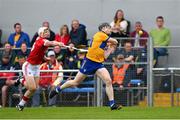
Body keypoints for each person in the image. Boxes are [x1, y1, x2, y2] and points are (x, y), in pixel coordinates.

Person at [50, 23, 122, 110]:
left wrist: (110, 49)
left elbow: (105, 57)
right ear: (103, 28)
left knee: (108, 80)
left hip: (98, 64)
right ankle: (58, 89)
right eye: (109, 28)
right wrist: (112, 44)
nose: (110, 30)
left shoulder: (103, 41)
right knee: (75, 82)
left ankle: (112, 104)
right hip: (89, 62)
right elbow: (116, 41)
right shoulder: (101, 34)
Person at [15, 27, 64, 111]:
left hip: (37, 67)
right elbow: (50, 42)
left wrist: (45, 58)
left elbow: (39, 52)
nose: (47, 32)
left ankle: (20, 104)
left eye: (48, 31)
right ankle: (21, 81)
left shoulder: (42, 41)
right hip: (29, 66)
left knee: (34, 88)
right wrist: (58, 43)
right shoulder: (42, 41)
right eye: (45, 32)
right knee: (33, 88)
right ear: (41, 34)